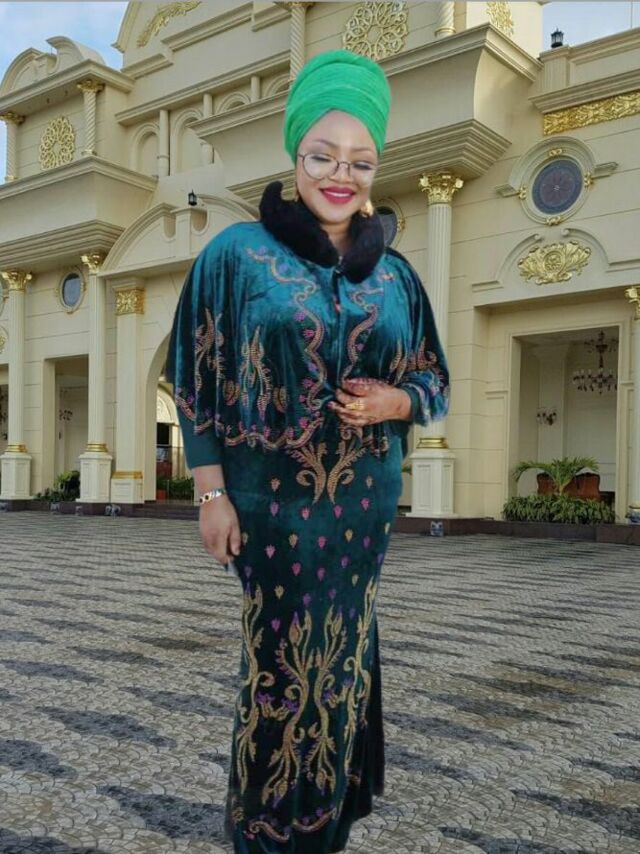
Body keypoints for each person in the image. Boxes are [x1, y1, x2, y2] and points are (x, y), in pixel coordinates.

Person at [165, 48, 449, 854]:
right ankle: (267, 832)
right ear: (295, 155)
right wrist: (210, 493)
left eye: (360, 161)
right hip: (271, 506)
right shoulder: (237, 255)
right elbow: (193, 377)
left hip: (362, 504)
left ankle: (328, 820)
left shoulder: (394, 275)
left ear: (376, 168)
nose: (340, 175)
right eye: (323, 155)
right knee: (281, 662)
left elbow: (432, 376)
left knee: (344, 652)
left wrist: (397, 401)